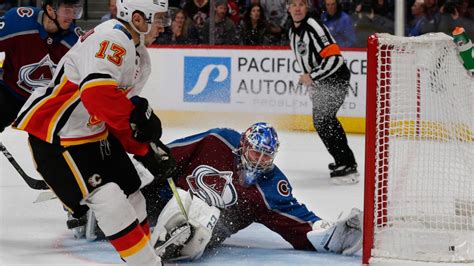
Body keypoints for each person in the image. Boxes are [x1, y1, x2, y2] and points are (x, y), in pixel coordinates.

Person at [13, 0, 175, 264]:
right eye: (158, 19)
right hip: (58, 135)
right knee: (109, 199)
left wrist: (145, 150)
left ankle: (142, 258)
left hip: (94, 133)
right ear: (137, 18)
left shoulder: (140, 57)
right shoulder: (112, 38)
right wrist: (142, 139)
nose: (163, 26)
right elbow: (97, 95)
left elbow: (116, 117)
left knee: (133, 194)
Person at [70, 122, 364, 261]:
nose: (259, 160)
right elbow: (170, 155)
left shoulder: (270, 186)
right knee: (129, 194)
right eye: (255, 152)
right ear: (243, 145)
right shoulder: (217, 140)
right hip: (162, 198)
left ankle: (170, 243)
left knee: (198, 220)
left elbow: (299, 222)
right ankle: (90, 210)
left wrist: (331, 234)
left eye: (266, 156)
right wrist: (133, 174)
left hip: (205, 230)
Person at [287, 0, 359, 184]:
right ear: (288, 8)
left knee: (324, 119)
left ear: (307, 8)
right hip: (322, 80)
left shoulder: (314, 27)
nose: (297, 8)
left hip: (336, 77)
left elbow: (334, 59)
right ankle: (343, 160)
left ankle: (347, 163)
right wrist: (313, 82)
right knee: (323, 121)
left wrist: (312, 76)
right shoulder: (292, 32)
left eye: (301, 4)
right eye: (293, 4)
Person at [0, 0, 83, 134]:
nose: (72, 16)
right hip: (11, 93)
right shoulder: (18, 22)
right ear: (50, 9)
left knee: (50, 147)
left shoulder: (76, 42)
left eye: (76, 11)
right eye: (67, 10)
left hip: (48, 105)